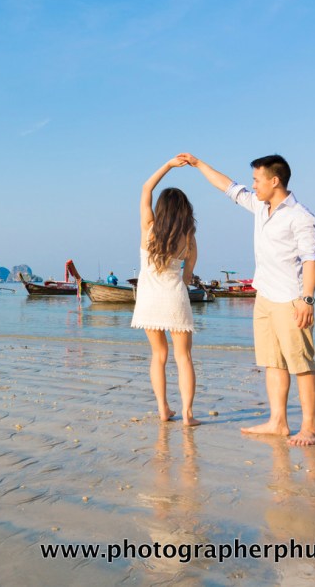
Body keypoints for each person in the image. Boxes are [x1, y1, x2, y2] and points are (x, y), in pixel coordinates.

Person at [180, 153, 315, 446]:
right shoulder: (260, 206)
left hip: (291, 300)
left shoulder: (301, 217)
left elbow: (311, 259)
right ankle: (278, 422)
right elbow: (227, 186)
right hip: (264, 297)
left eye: (257, 180)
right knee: (273, 363)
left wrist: (307, 299)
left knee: (301, 364)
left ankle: (311, 428)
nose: (253, 185)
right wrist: (198, 164)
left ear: (275, 180)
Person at [130, 155, 199, 425]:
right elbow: (188, 275)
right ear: (183, 211)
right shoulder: (188, 236)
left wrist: (169, 165)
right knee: (184, 357)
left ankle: (163, 409)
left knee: (158, 356)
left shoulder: (148, 228)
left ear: (161, 208)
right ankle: (188, 415)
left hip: (148, 300)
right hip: (175, 298)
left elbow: (146, 187)